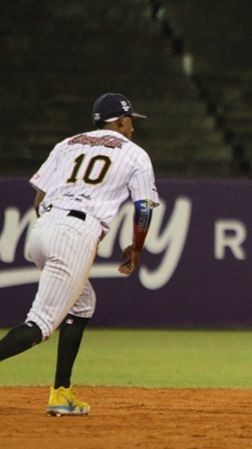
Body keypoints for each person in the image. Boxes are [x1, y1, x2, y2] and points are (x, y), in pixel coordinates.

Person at [0, 93, 159, 416]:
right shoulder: (134, 154)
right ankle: (60, 394)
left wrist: (52, 228)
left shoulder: (67, 144)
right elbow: (143, 208)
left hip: (43, 229)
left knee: (82, 304)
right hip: (76, 232)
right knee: (40, 325)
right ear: (121, 120)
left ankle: (61, 393)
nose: (133, 129)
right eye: (131, 122)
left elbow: (40, 196)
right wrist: (137, 247)